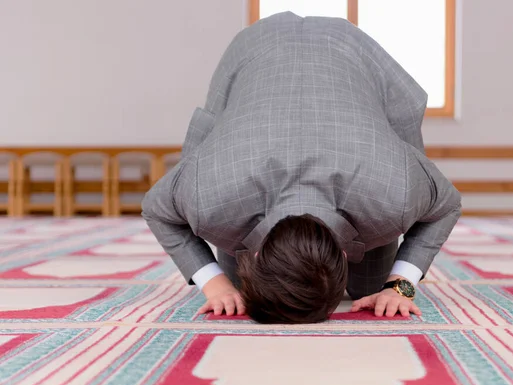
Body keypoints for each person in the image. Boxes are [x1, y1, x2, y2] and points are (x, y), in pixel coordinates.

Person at [141, 12, 461, 324]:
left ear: (345, 255)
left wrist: (399, 286)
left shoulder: (393, 191)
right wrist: (214, 283)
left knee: (371, 287)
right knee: (234, 290)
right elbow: (158, 209)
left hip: (347, 54)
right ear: (253, 255)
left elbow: (445, 205)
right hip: (257, 57)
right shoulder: (210, 195)